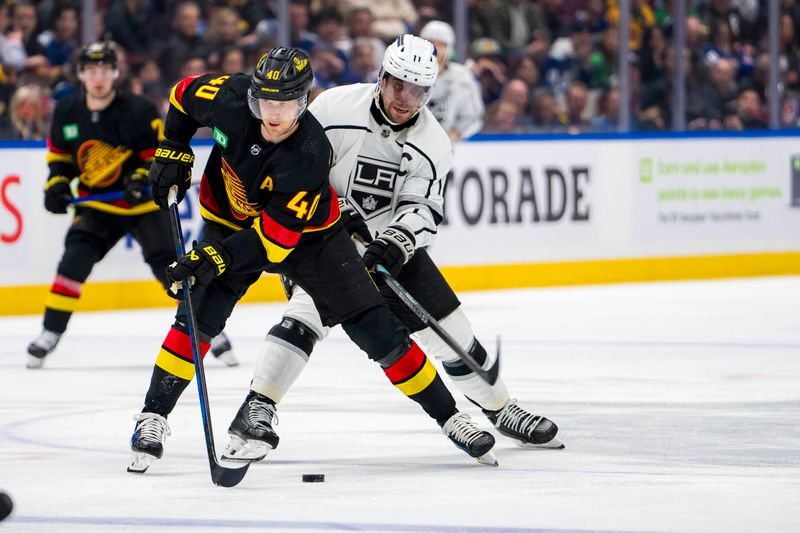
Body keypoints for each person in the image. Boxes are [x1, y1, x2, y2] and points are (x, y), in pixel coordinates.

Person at [127, 46, 497, 474]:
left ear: (303, 101)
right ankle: (152, 417)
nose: (273, 113)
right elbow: (181, 95)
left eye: (284, 103)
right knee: (196, 316)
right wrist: (173, 147)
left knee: (378, 329)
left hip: (312, 239)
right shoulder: (228, 97)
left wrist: (212, 257)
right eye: (265, 100)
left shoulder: (309, 152)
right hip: (228, 220)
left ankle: (452, 418)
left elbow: (274, 244)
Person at [222, 35, 563, 464]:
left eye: (418, 90)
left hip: (388, 250)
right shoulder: (333, 108)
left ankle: (500, 408)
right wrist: (329, 206)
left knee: (453, 334)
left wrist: (397, 242)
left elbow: (424, 207)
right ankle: (257, 408)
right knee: (305, 316)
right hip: (320, 242)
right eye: (398, 85)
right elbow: (293, 162)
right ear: (381, 77)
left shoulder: (434, 142)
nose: (405, 98)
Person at [26, 41, 235, 369]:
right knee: (73, 262)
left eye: (105, 70)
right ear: (80, 74)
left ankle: (209, 330)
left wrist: (142, 177)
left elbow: (157, 155)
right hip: (98, 208)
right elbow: (61, 158)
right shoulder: (66, 111)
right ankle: (49, 332)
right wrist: (57, 183)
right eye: (91, 70)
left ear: (115, 73)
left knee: (173, 270)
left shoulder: (137, 109)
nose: (99, 77)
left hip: (143, 208)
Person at [420, 20, 484, 142]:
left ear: (449, 48)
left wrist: (457, 132)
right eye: (430, 43)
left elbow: (473, 116)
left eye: (441, 44)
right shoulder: (407, 73)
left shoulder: (462, 76)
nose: (435, 49)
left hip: (449, 146)